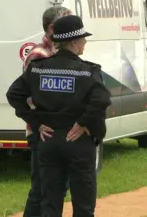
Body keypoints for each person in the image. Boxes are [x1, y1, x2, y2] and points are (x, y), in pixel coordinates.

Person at [6, 15, 111, 217]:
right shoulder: (88, 72)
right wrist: (82, 123)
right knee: (83, 205)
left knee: (50, 204)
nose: (85, 42)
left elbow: (14, 94)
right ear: (73, 42)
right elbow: (102, 100)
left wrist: (36, 122)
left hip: (49, 139)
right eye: (82, 38)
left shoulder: (38, 69)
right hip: (79, 141)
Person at [22, 6, 71, 217]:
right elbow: (31, 97)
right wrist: (38, 123)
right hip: (42, 132)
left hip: (58, 132)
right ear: (52, 28)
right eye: (66, 23)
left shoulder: (60, 53)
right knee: (42, 189)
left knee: (57, 187)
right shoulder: (38, 55)